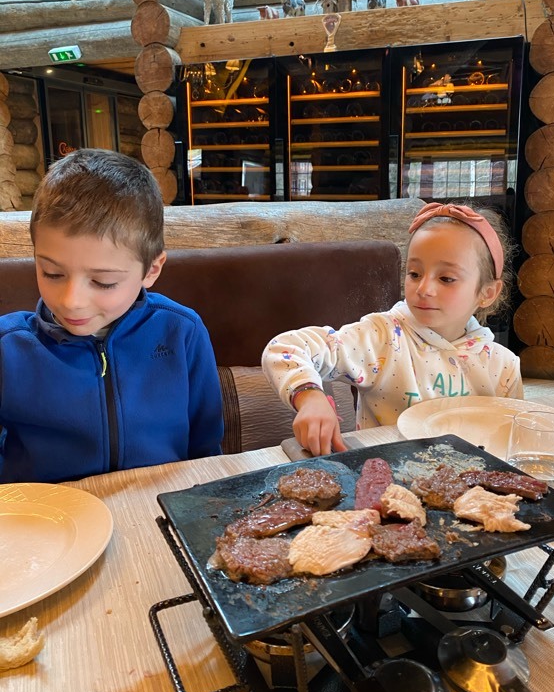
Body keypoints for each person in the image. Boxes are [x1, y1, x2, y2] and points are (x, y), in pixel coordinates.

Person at [0, 149, 223, 483]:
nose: (72, 302)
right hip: (46, 524)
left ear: (151, 270)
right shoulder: (8, 348)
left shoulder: (182, 332)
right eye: (52, 273)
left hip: (155, 510)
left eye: (103, 282)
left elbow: (206, 451)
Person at [262, 202, 522, 457]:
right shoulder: (382, 338)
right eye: (414, 273)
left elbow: (514, 446)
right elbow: (285, 349)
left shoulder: (503, 368)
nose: (424, 289)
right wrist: (309, 398)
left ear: (487, 293)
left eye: (446, 278)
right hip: (385, 485)